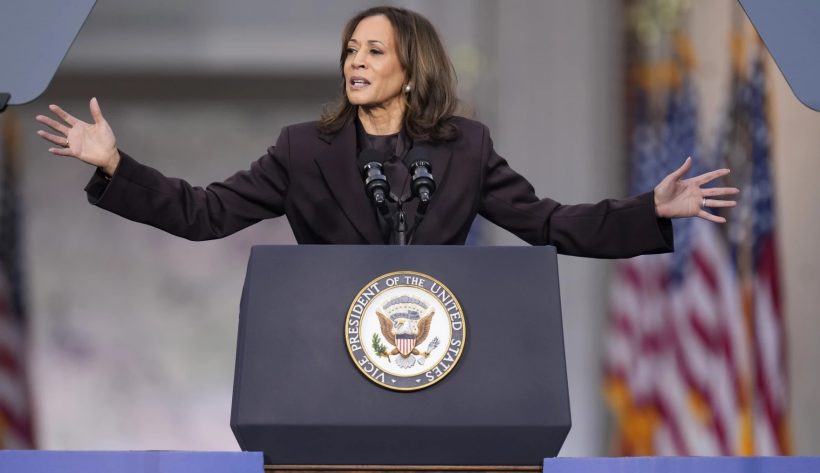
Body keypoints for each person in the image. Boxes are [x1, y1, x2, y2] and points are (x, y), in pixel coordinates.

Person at [35, 6, 737, 256]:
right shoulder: (301, 150)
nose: (356, 61)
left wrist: (649, 210)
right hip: (326, 368)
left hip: (439, 368)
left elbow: (547, 223)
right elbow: (203, 214)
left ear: (412, 67)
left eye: (373, 50)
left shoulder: (468, 150)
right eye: (350, 49)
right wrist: (115, 164)